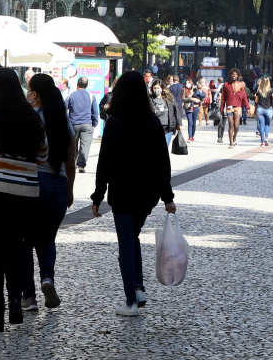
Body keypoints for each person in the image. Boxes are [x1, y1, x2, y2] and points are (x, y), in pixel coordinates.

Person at [92, 71, 175, 316]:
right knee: (133, 237)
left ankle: (131, 301)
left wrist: (98, 195)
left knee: (126, 244)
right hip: (146, 194)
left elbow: (104, 163)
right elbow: (163, 162)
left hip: (122, 191)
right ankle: (138, 288)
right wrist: (167, 196)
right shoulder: (152, 123)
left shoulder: (115, 123)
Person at [0, 68, 47, 331]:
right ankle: (16, 301)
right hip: (24, 195)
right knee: (16, 250)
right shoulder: (32, 119)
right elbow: (42, 157)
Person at [20, 74, 76, 311]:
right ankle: (47, 279)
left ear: (34, 94)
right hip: (58, 185)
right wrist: (70, 190)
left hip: (32, 183)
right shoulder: (63, 120)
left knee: (24, 241)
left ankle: (29, 297)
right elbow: (70, 160)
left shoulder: (28, 118)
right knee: (47, 239)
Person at [66, 77, 98, 173]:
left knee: (72, 145)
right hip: (87, 124)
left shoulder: (71, 95)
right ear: (87, 85)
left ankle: (72, 164)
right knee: (85, 146)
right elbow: (95, 112)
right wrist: (94, 123)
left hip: (73, 124)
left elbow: (63, 109)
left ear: (77, 84)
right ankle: (81, 165)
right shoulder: (91, 96)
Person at [219, 69, 249, 148]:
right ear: (230, 75)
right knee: (230, 124)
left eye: (235, 74)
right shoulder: (226, 85)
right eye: (233, 74)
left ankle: (235, 136)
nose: (234, 75)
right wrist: (222, 108)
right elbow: (223, 98)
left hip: (238, 107)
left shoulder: (241, 85)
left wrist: (247, 107)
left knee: (236, 125)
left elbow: (244, 97)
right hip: (229, 107)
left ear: (238, 75)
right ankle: (231, 142)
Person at [151, 79, 181, 146]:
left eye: (158, 88)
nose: (156, 89)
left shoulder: (168, 98)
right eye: (154, 88)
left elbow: (176, 110)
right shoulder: (150, 99)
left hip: (167, 128)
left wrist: (179, 124)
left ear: (162, 88)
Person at [254, 76, 273, 146]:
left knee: (261, 125)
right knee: (267, 124)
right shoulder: (271, 90)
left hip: (260, 109)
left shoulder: (259, 90)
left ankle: (262, 142)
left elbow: (256, 101)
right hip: (269, 109)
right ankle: (266, 137)